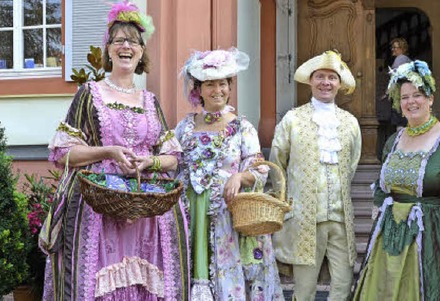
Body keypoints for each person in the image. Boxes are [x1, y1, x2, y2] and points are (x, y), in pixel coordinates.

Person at [40, 1, 189, 299]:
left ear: (142, 52)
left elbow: (173, 158)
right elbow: (63, 154)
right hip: (98, 207)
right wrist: (107, 152)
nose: (126, 46)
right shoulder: (89, 94)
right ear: (108, 49)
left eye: (133, 41)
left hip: (147, 213)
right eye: (119, 40)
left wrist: (150, 162)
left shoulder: (151, 101)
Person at [352, 60, 440, 300]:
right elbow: (381, 188)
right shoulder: (393, 141)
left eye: (417, 95)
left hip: (431, 233)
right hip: (389, 233)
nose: (411, 102)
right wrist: (377, 226)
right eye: (405, 97)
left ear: (430, 98)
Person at [175, 49, 284, 300]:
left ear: (230, 87)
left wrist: (238, 177)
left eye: (222, 84)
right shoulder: (185, 127)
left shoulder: (242, 127)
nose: (217, 90)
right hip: (191, 213)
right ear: (198, 90)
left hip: (227, 216)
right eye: (210, 84)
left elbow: (260, 168)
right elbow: (175, 164)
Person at [270, 50, 362, 301]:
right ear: (310, 81)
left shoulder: (350, 122)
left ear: (339, 84)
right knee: (305, 288)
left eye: (332, 77)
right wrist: (286, 203)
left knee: (343, 284)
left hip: (341, 218)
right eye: (320, 76)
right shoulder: (293, 119)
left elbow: (351, 165)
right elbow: (277, 163)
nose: (325, 82)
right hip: (303, 217)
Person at [376, 37, 411, 161]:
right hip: (403, 94)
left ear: (402, 48)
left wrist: (387, 92)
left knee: (400, 123)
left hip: (399, 95)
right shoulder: (406, 60)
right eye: (392, 47)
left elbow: (395, 77)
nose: (392, 49)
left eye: (395, 47)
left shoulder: (400, 59)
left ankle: (400, 152)